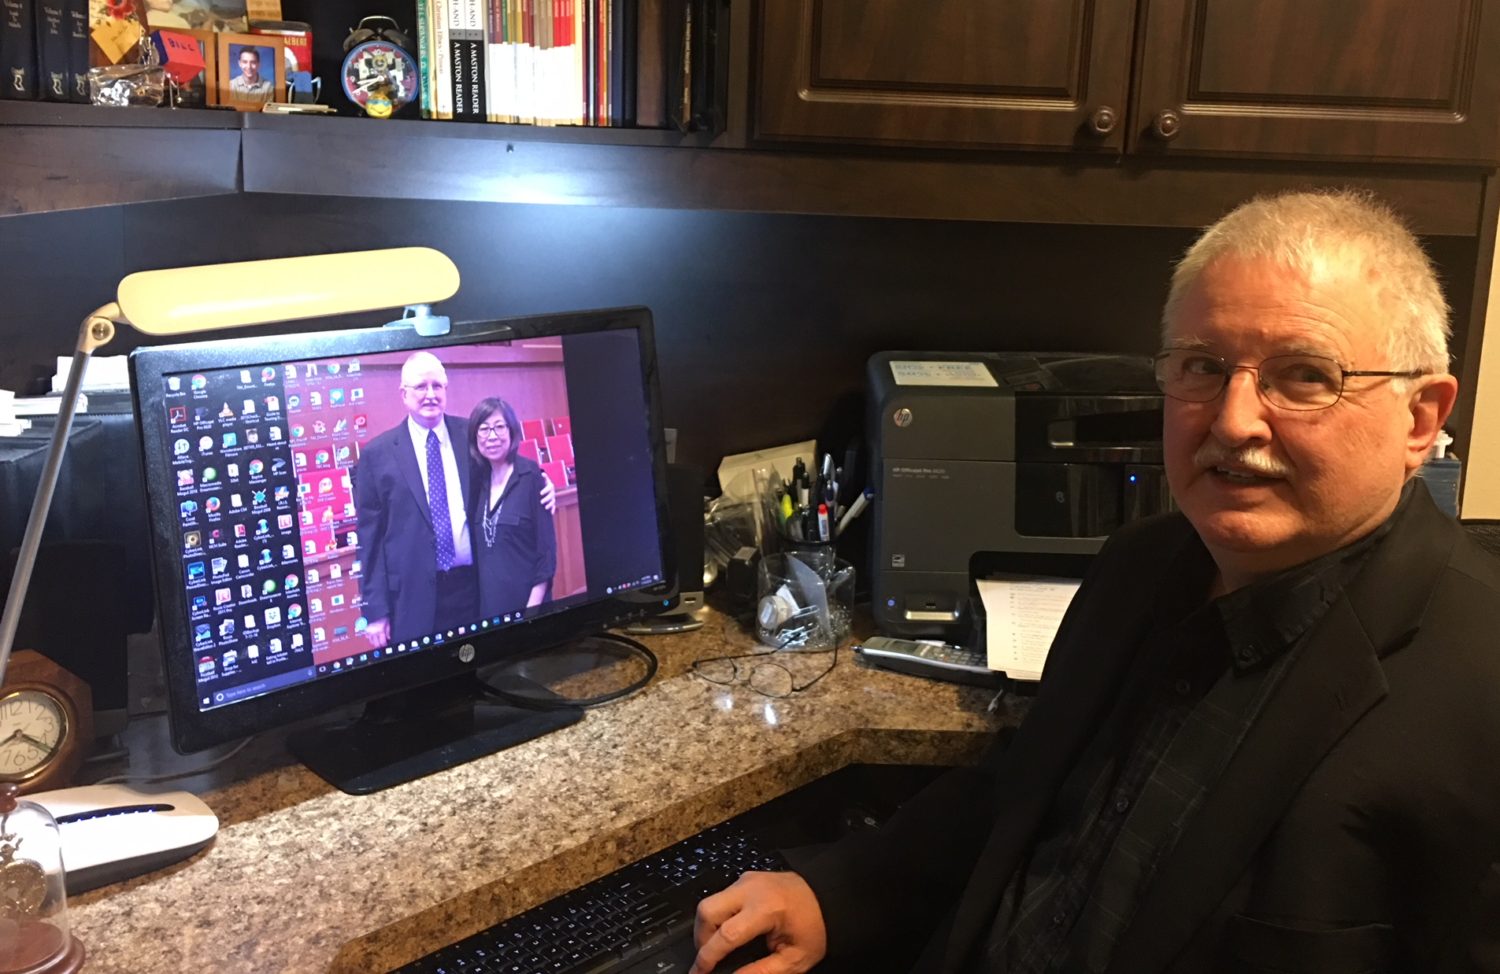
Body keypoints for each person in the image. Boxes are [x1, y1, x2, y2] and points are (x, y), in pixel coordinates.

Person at [690, 190, 1500, 974]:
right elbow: (1018, 794)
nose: (1233, 421)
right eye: (1203, 366)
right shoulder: (1141, 566)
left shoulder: (1480, 701)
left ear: (1421, 419)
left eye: (1304, 376)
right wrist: (836, 894)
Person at [354, 352, 555, 649]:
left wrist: (543, 478)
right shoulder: (377, 455)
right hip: (412, 597)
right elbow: (369, 540)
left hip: (474, 589)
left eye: (437, 386)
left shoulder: (469, 435)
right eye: (421, 387)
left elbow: (508, 464)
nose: (430, 395)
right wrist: (375, 611)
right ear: (404, 394)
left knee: (483, 663)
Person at [468, 396, 557, 618]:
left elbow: (546, 554)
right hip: (489, 612)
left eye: (499, 427)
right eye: (484, 429)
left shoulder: (532, 478)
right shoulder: (476, 482)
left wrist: (530, 613)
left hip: (529, 610)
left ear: (512, 431)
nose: (492, 436)